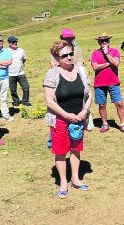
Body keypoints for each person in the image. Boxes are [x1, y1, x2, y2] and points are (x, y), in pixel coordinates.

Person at [44, 40, 92, 199]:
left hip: (79, 118)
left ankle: (76, 179)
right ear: (57, 57)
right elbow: (49, 101)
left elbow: (89, 93)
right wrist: (66, 115)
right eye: (65, 55)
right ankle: (63, 182)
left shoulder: (81, 70)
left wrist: (85, 110)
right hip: (60, 119)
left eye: (71, 53)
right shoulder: (52, 74)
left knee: (76, 149)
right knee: (60, 151)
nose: (70, 57)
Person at [90, 32, 124, 134]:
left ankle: (123, 124)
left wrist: (107, 53)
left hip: (113, 82)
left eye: (106, 40)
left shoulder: (114, 51)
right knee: (102, 105)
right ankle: (105, 124)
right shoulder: (95, 53)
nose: (104, 42)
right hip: (100, 83)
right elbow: (95, 67)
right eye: (101, 40)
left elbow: (116, 63)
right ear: (98, 42)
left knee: (119, 103)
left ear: (109, 41)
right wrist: (108, 63)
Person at [7, 36, 31, 107]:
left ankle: (25, 101)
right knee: (13, 90)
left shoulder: (21, 50)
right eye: (13, 42)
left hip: (21, 73)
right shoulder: (6, 51)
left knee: (26, 87)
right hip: (10, 74)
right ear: (9, 43)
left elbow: (24, 59)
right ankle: (16, 101)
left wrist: (20, 66)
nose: (15, 43)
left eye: (16, 42)